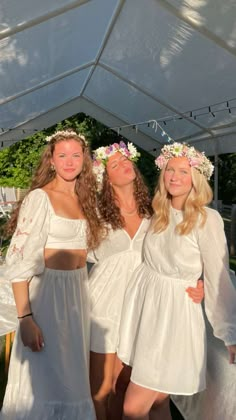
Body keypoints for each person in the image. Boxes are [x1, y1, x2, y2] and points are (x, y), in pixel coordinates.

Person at [117, 142, 236, 420]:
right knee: (158, 403)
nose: (174, 176)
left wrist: (229, 333)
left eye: (183, 171)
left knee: (132, 408)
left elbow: (218, 274)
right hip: (147, 311)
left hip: (174, 319)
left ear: (195, 178)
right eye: (170, 169)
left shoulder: (207, 219)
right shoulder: (158, 213)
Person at [88, 141, 205, 420]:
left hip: (144, 306)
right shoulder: (94, 213)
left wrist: (201, 283)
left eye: (125, 159)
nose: (124, 165)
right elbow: (70, 249)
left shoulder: (156, 210)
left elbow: (182, 251)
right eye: (114, 164)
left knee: (127, 383)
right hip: (105, 304)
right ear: (105, 178)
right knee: (102, 388)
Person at [0, 130, 104, 420]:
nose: (69, 162)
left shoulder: (87, 200)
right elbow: (20, 262)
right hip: (48, 298)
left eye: (75, 155)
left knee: (73, 381)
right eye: (62, 155)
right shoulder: (40, 198)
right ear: (52, 161)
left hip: (77, 295)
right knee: (46, 381)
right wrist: (25, 318)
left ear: (85, 159)